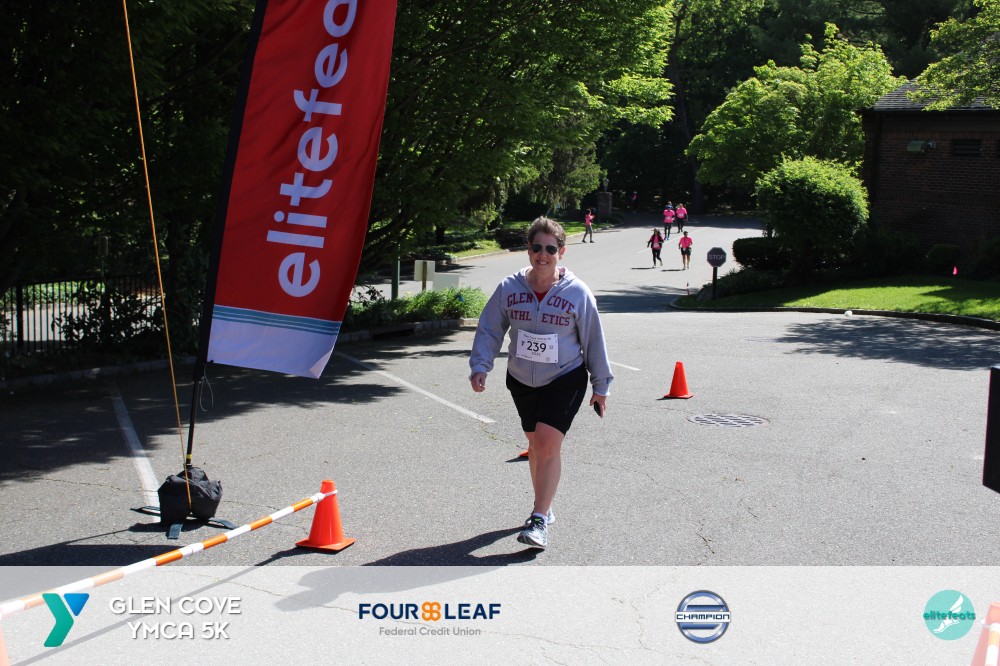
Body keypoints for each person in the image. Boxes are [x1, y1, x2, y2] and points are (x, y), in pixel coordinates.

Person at [469, 217, 613, 551]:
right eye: (537, 247)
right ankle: (544, 506)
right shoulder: (509, 288)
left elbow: (594, 339)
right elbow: (490, 328)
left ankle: (538, 518)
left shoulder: (576, 292)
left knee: (547, 444)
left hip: (565, 377)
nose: (543, 255)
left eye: (550, 249)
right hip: (521, 378)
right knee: (535, 445)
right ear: (528, 249)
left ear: (561, 252)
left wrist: (601, 385)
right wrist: (480, 365)